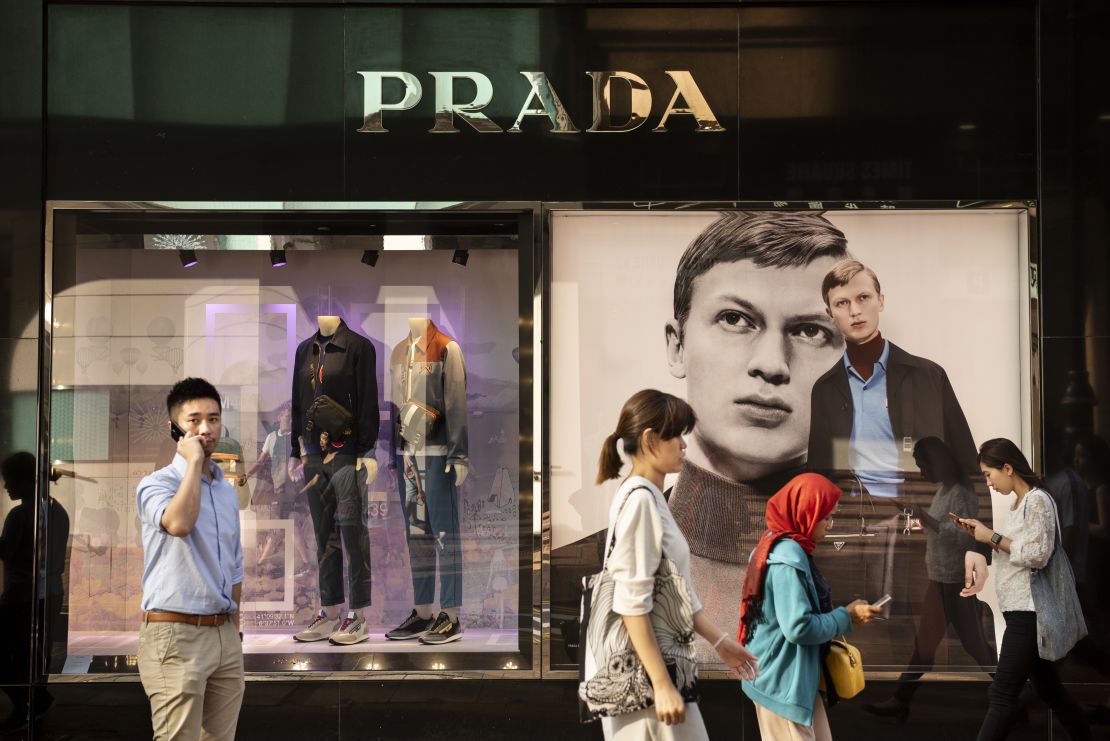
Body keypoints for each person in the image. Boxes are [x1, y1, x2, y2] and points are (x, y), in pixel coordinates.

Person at [663, 211, 850, 659]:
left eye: (809, 331)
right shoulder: (599, 564)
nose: (771, 363)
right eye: (734, 319)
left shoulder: (886, 574)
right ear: (677, 347)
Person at [589, 389, 758, 740]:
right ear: (651, 440)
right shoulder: (642, 503)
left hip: (656, 672)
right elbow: (632, 605)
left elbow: (674, 590)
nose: (683, 445)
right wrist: (662, 685)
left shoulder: (645, 496)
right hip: (647, 681)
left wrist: (720, 641)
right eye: (676, 435)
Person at [957, 438, 1091, 741]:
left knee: (1002, 693)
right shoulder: (1021, 504)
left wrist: (990, 537)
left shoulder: (1038, 500)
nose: (988, 482)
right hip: (1022, 611)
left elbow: (1037, 555)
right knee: (1050, 691)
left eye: (989, 474)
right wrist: (984, 538)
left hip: (1031, 612)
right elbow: (1016, 553)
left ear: (1008, 467)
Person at [809, 259, 979, 495]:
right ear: (830, 314)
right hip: (852, 519)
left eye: (863, 297)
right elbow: (818, 477)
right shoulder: (825, 389)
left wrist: (978, 528)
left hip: (921, 520)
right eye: (842, 303)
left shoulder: (929, 376)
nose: (855, 311)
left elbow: (967, 463)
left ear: (881, 301)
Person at [135, 378, 245, 741]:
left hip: (223, 636)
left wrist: (234, 630)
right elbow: (179, 523)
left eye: (213, 419)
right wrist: (194, 461)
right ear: (174, 429)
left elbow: (235, 566)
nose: (205, 428)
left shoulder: (226, 493)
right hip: (176, 635)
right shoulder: (156, 485)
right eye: (194, 420)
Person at [738, 472, 880, 740]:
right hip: (782, 683)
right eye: (825, 516)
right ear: (806, 513)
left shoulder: (776, 544)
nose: (830, 524)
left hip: (790, 678)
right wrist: (847, 616)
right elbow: (798, 628)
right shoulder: (786, 558)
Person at [863, 437, 996, 723]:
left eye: (923, 465)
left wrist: (926, 518)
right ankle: (900, 700)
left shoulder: (960, 492)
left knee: (973, 648)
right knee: (929, 647)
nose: (922, 472)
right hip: (941, 580)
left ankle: (1009, 696)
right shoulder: (946, 490)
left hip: (952, 583)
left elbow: (964, 534)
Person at [0, 452, 70, 733]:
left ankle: (28, 704)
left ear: (25, 481)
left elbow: (8, 553)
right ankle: (35, 701)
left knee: (11, 656)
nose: (6, 487)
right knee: (32, 655)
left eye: (9, 481)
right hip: (50, 592)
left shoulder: (20, 515)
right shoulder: (57, 510)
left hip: (23, 595)